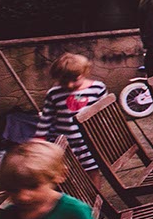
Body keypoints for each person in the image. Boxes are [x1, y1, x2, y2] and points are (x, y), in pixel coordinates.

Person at [36, 53, 106, 188]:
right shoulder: (54, 93)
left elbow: (103, 115)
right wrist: (39, 138)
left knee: (92, 171)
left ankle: (97, 201)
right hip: (65, 144)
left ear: (85, 72)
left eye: (74, 79)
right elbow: (46, 118)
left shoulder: (97, 89)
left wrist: (104, 136)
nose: (69, 84)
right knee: (66, 173)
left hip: (90, 142)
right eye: (63, 80)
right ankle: (76, 197)